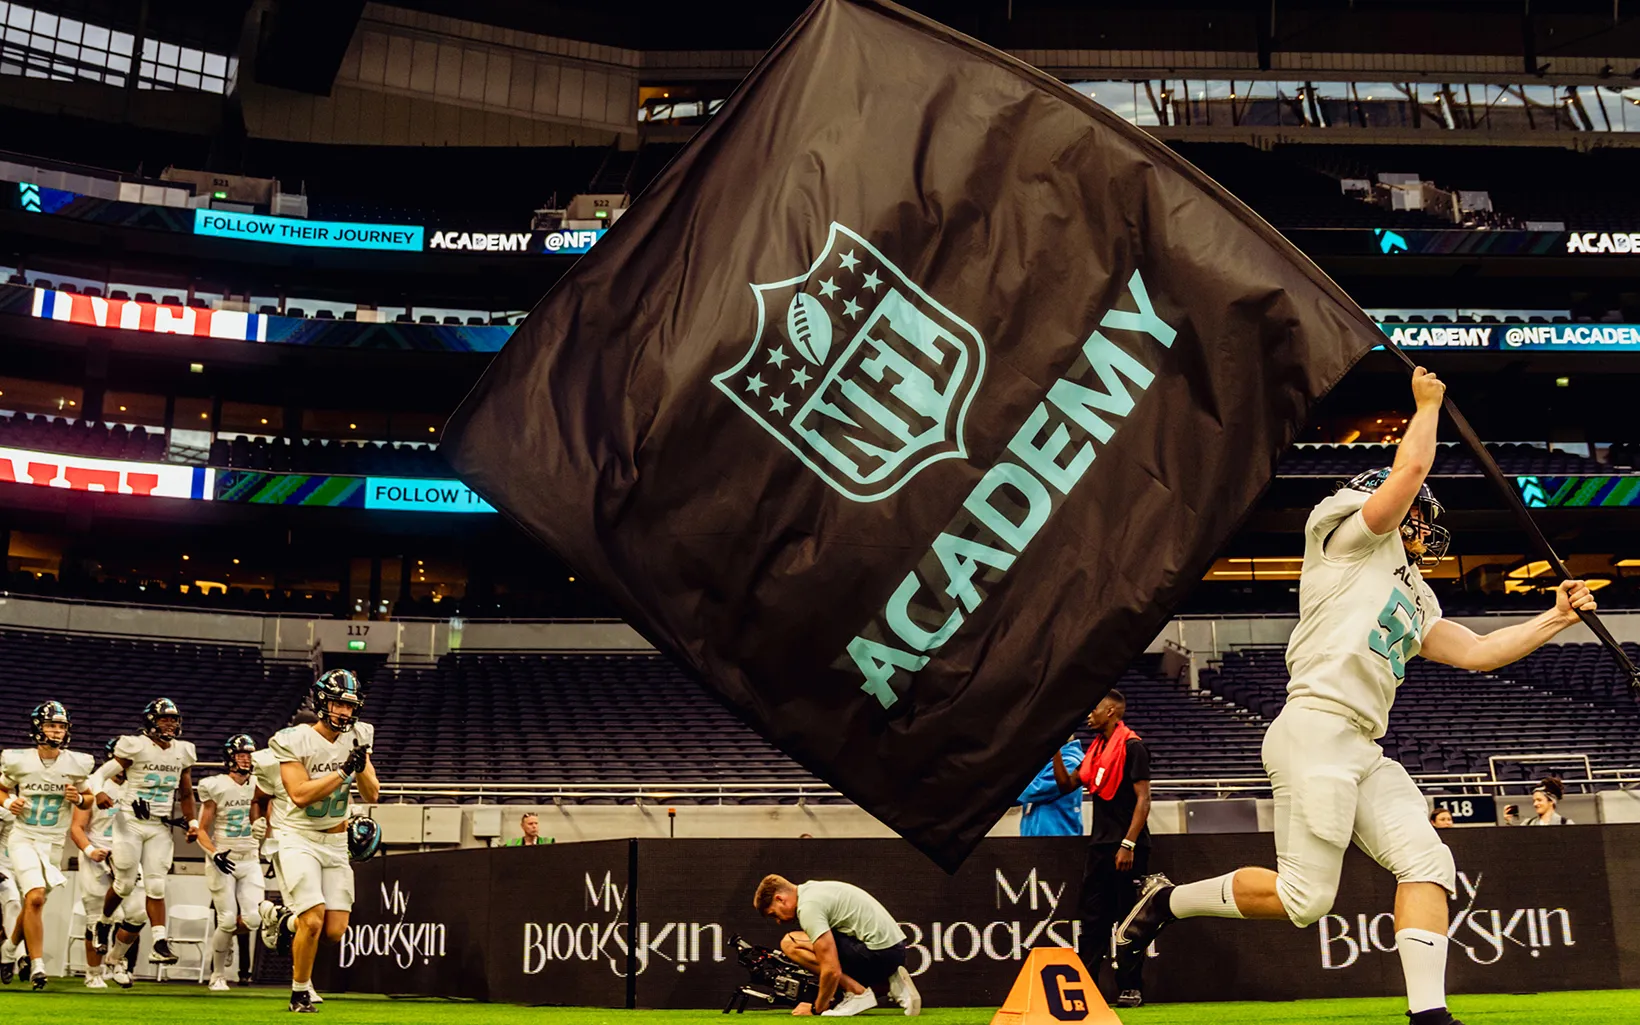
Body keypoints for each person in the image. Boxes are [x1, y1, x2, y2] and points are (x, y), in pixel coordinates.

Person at [1116, 368, 1599, 1025]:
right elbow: (1409, 471)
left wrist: (1554, 619)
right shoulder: (1346, 540)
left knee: (1428, 859)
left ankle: (1429, 1014)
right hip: (1314, 730)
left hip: (1362, 747)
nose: (1426, 533)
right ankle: (1165, 901)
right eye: (1421, 520)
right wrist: (1426, 405)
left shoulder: (1415, 592)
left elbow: (1480, 653)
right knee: (1305, 899)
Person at [258, 669, 379, 1013]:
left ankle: (284, 922)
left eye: (349, 706)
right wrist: (342, 772)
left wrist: (361, 766)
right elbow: (298, 795)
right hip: (299, 837)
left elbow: (372, 794)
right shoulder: (292, 739)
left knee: (334, 930)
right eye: (338, 703)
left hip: (336, 841)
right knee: (313, 919)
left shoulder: (359, 735)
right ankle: (299, 992)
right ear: (322, 701)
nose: (344, 711)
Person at [85, 696, 198, 965]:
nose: (170, 724)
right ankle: (103, 923)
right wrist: (100, 792)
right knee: (124, 884)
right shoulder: (135, 746)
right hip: (129, 822)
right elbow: (98, 775)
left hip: (159, 825)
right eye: (164, 719)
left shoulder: (182, 751)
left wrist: (192, 822)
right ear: (151, 722)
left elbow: (185, 792)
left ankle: (159, 942)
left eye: (173, 719)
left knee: (157, 884)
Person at [0, 701, 95, 988]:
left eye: (61, 726)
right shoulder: (18, 759)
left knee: (33, 902)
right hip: (24, 836)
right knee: (36, 897)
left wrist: (78, 799)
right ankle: (38, 966)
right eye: (51, 725)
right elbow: (1, 787)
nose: (56, 731)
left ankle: (7, 950)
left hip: (54, 842)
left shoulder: (76, 763)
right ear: (38, 727)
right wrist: (8, 801)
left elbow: (88, 797)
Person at [1074, 690, 1151, 1008]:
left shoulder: (1133, 746)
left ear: (1110, 711)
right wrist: (1054, 750)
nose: (1088, 715)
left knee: (1128, 920)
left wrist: (1127, 844)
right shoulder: (1096, 749)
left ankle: (1130, 988)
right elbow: (1068, 784)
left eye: (1094, 709)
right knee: (1092, 919)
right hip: (1100, 846)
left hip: (1127, 848)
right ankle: (1085, 988)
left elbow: (1143, 800)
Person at [753, 874, 919, 1017]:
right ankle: (892, 980)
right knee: (819, 941)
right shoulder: (813, 889)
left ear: (780, 899)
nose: (778, 921)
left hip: (881, 955)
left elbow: (832, 970)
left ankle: (857, 994)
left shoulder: (808, 907)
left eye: (774, 913)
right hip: (894, 951)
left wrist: (816, 1008)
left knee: (790, 943)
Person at [197, 733, 266, 990]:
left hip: (249, 858)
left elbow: (269, 815)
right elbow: (203, 829)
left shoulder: (260, 784)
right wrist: (214, 853)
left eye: (249, 755)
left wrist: (264, 827)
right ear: (230, 758)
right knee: (226, 919)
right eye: (241, 755)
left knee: (254, 919)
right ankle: (217, 975)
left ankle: (223, 941)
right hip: (223, 858)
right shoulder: (216, 785)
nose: (246, 760)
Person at [69, 738, 122, 988]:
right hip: (97, 853)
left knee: (131, 915)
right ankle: (93, 972)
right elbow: (77, 828)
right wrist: (90, 850)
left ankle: (118, 962)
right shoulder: (92, 784)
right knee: (95, 917)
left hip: (125, 855)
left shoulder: (139, 787)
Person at [1015, 733, 1085, 837]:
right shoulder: (1046, 761)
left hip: (1057, 840)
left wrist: (993, 794)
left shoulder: (1069, 762)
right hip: (1036, 839)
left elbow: (1034, 790)